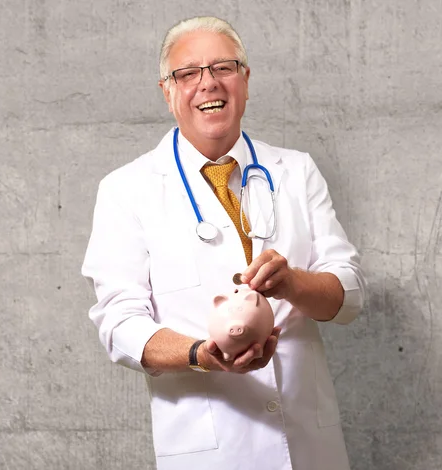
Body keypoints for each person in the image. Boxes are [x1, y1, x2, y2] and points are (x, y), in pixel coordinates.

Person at [81, 16, 366, 470]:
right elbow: (118, 323)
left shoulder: (296, 171)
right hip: (209, 446)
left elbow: (348, 297)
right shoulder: (126, 189)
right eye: (187, 73)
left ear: (246, 81)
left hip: (309, 444)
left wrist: (291, 283)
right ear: (167, 92)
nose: (208, 84)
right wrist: (201, 355)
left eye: (224, 68)